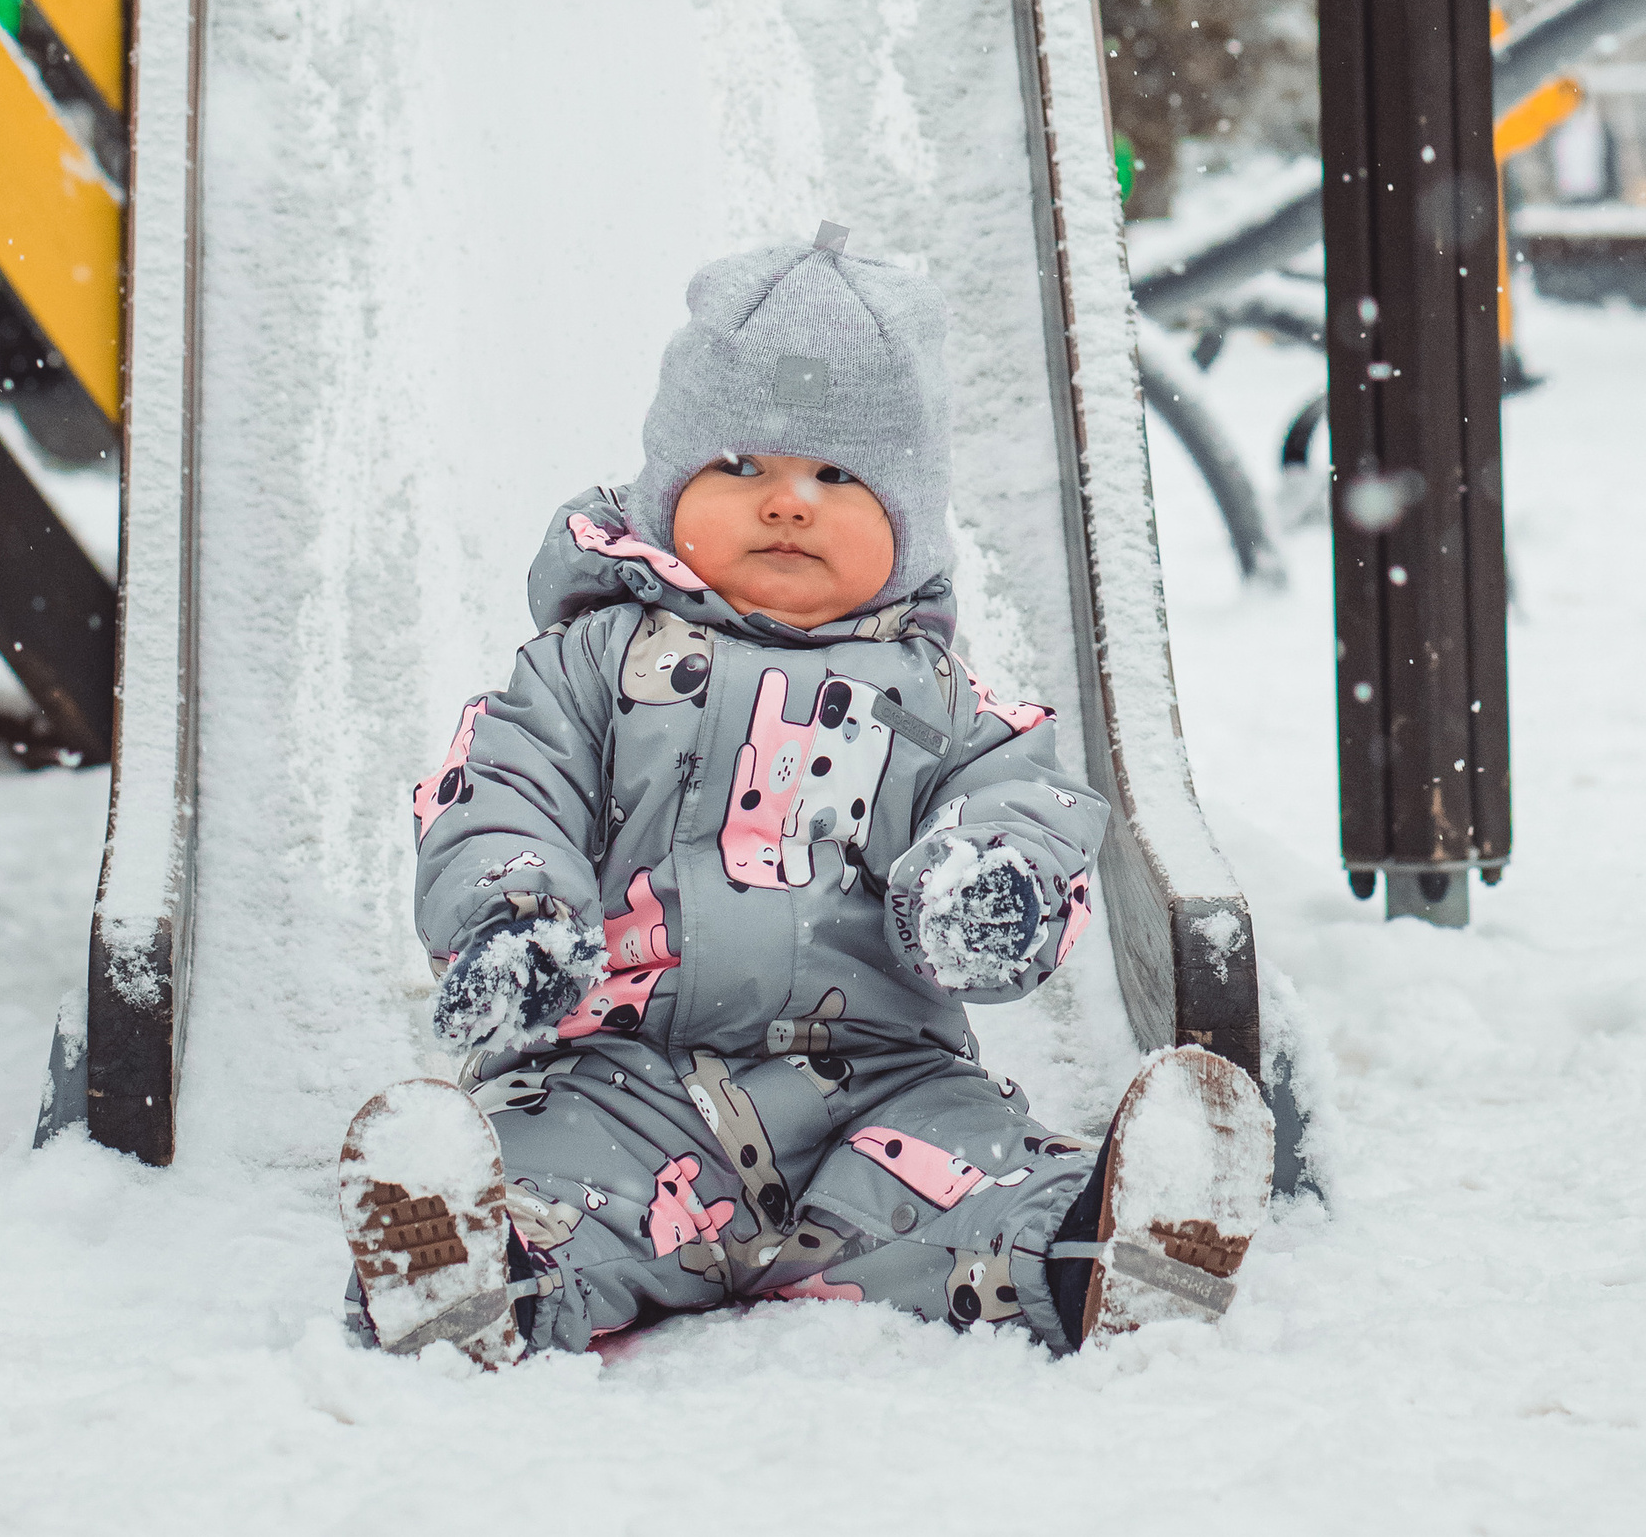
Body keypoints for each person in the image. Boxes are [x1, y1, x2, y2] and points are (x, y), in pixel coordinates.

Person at [336, 224, 1271, 1363]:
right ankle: (484, 1272)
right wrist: (515, 913)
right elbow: (501, 789)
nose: (787, 502)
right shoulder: (587, 665)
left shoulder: (936, 697)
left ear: (907, 519)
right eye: (742, 468)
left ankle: (1095, 1253)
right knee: (558, 1180)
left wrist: (993, 884)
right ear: (665, 490)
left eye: (836, 476)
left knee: (982, 1168)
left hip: (882, 1084)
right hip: (620, 1078)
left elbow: (1020, 798)